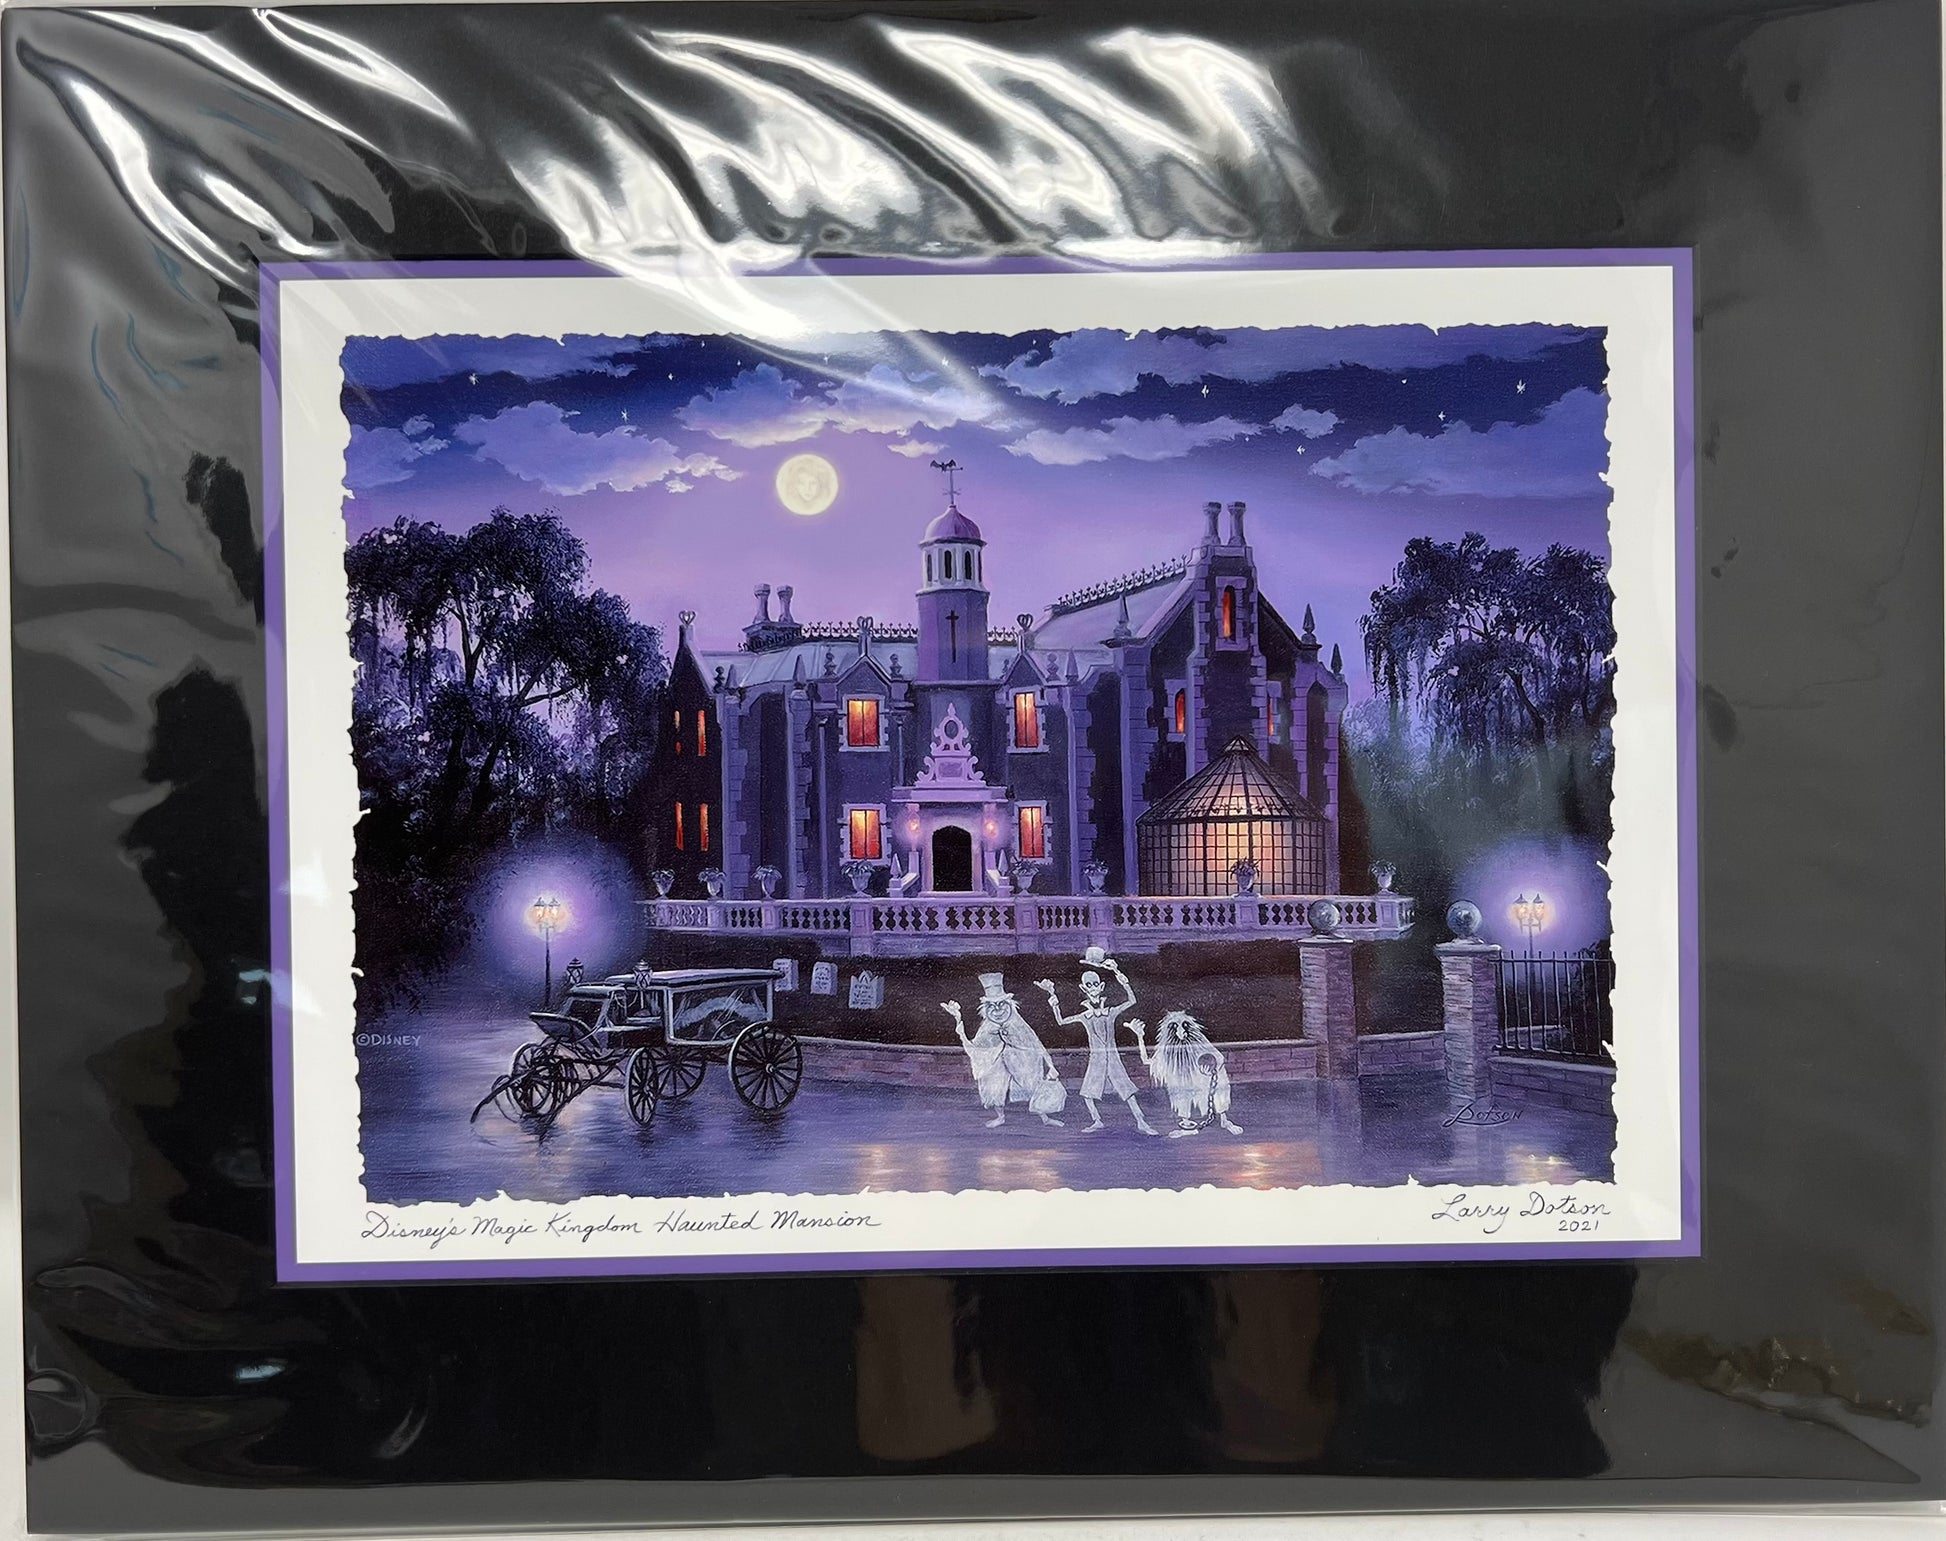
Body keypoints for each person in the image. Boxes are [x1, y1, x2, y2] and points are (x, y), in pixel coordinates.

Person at [1036, 948, 1158, 1135]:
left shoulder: (1110, 1012)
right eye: (1088, 985)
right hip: (1097, 1059)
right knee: (1088, 1092)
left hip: (1113, 1057)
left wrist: (1119, 975)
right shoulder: (1085, 1015)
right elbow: (1061, 1021)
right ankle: (1097, 1120)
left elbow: (1131, 1000)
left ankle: (1141, 1121)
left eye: (1095, 984)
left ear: (1101, 986)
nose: (1092, 987)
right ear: (1083, 989)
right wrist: (1054, 1000)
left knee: (1126, 1090)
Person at [943, 974, 1066, 1128]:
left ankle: (1044, 1117)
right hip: (996, 1063)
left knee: (1032, 1084)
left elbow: (1034, 1042)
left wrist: (1051, 1065)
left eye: (1001, 1004)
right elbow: (975, 1049)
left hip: (1020, 1060)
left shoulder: (1016, 1022)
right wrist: (958, 1020)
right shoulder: (987, 1027)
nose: (997, 1009)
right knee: (994, 1086)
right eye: (992, 1006)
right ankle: (1000, 1116)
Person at [1134, 1010, 1243, 1136]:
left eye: (1184, 1025)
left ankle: (1224, 1119)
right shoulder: (1167, 1050)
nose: (1180, 1030)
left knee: (1221, 1081)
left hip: (1203, 1080)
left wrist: (1210, 1068)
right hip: (1183, 1086)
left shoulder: (1199, 1043)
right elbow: (1147, 1061)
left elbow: (1219, 1058)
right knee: (1177, 1087)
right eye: (1175, 1026)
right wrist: (1140, 1036)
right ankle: (1185, 1121)